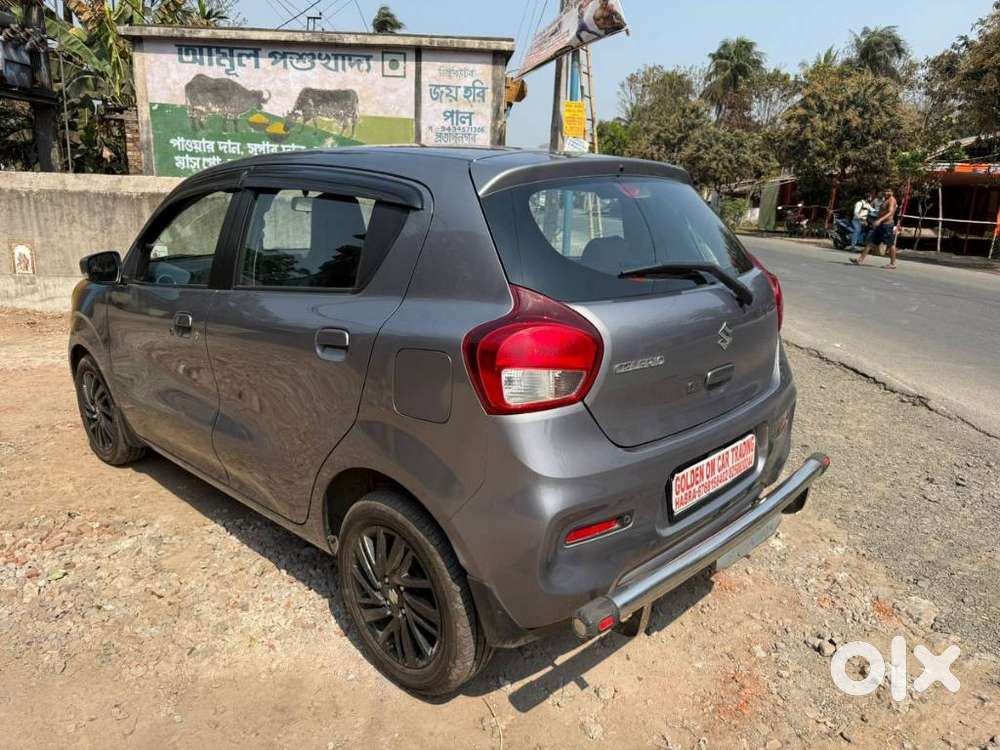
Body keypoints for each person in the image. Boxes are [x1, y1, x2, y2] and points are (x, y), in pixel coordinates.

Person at [851, 189, 898, 268]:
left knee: (890, 244)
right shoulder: (884, 200)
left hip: (887, 225)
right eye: (885, 191)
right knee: (871, 241)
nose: (886, 193)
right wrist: (877, 220)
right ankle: (860, 260)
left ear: (892, 192)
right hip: (881, 225)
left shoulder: (892, 200)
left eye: (888, 191)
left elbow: (890, 212)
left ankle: (893, 263)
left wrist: (879, 220)